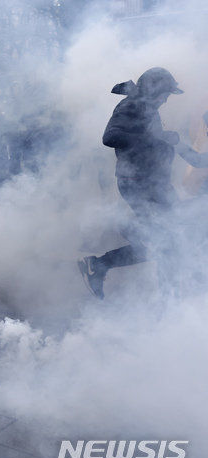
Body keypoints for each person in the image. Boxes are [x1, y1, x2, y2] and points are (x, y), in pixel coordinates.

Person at [78, 67, 208, 299]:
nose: (167, 99)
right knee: (165, 243)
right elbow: (110, 137)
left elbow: (192, 159)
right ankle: (167, 302)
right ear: (154, 90)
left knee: (173, 241)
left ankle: (101, 266)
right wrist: (155, 142)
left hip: (157, 186)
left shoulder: (149, 110)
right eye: (165, 93)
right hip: (139, 185)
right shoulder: (130, 106)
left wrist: (177, 146)